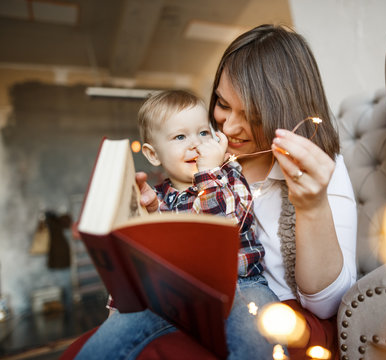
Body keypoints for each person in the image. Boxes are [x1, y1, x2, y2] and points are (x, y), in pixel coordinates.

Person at [73, 24, 357, 360]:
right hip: (184, 297)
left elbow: (325, 305)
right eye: (222, 104)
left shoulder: (312, 167)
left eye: (252, 116)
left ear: (285, 112)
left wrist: (312, 207)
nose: (229, 128)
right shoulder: (187, 170)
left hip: (258, 299)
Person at [76, 90, 282, 359]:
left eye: (203, 133)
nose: (195, 144)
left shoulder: (230, 177)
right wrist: (149, 214)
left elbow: (221, 230)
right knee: (101, 347)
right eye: (180, 136)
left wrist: (208, 173)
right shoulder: (158, 196)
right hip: (175, 294)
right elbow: (145, 264)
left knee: (259, 342)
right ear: (152, 154)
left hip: (241, 285)